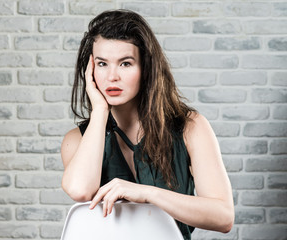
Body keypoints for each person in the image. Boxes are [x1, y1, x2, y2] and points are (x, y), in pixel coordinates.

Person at [60, 9, 234, 240]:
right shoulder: (77, 140)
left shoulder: (191, 127)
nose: (112, 76)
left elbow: (223, 217)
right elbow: (79, 190)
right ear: (90, 70)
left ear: (146, 68)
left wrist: (147, 193)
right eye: (102, 64)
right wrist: (100, 111)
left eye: (125, 64)